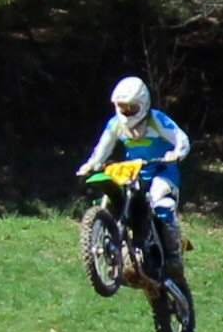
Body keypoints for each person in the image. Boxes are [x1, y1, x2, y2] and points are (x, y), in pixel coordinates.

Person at [76, 76, 191, 281]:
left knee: (160, 202)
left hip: (162, 170)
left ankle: (174, 258)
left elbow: (181, 139)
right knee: (115, 200)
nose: (127, 112)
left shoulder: (157, 120)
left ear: (144, 105)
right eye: (122, 107)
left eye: (132, 107)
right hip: (133, 172)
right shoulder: (116, 125)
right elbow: (102, 149)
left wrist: (177, 153)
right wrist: (91, 165)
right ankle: (117, 252)